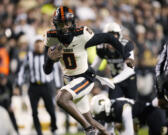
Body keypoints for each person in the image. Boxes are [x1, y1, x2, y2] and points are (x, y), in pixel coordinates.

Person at [43, 6, 134, 135]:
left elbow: (108, 38)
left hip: (85, 78)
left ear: (73, 22)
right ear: (55, 24)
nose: (64, 27)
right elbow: (46, 70)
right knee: (90, 119)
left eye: (67, 23)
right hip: (70, 82)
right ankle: (104, 132)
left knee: (61, 99)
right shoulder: (50, 37)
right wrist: (50, 60)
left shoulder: (82, 35)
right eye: (61, 24)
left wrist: (125, 56)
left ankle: (88, 130)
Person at [17, 39, 62, 135]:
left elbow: (56, 71)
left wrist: (58, 86)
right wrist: (19, 84)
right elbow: (22, 69)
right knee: (34, 112)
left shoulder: (48, 55)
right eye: (37, 46)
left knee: (51, 109)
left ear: (43, 46)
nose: (38, 47)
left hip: (47, 86)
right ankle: (39, 132)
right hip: (34, 87)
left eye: (40, 46)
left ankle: (53, 127)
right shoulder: (29, 56)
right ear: (34, 46)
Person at [91, 22, 137, 100]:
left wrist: (113, 80)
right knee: (113, 104)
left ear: (119, 36)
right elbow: (95, 67)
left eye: (114, 36)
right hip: (114, 80)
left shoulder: (125, 45)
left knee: (132, 104)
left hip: (128, 79)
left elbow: (130, 69)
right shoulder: (102, 48)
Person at [91, 94, 166, 135]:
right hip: (139, 118)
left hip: (152, 114)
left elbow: (129, 133)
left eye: (100, 114)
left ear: (105, 108)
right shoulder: (111, 110)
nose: (100, 117)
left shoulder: (122, 108)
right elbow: (109, 131)